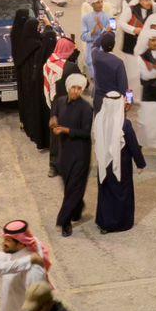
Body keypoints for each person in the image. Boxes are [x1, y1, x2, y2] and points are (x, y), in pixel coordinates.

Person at [90, 92, 146, 234]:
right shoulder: (124, 124)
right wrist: (140, 163)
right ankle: (120, 223)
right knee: (121, 193)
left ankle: (104, 223)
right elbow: (133, 145)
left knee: (106, 193)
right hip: (121, 166)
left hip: (104, 164)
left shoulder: (99, 119)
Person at [50, 73, 94, 236]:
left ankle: (65, 221)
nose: (76, 91)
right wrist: (53, 121)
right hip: (65, 152)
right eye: (73, 88)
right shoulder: (60, 102)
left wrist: (65, 130)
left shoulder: (86, 108)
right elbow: (54, 113)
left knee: (73, 187)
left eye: (79, 88)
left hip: (81, 153)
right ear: (68, 88)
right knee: (69, 184)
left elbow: (85, 132)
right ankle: (77, 207)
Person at [12, 7, 56, 151]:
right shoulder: (36, 45)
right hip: (37, 83)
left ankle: (27, 126)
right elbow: (49, 40)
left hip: (26, 80)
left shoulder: (22, 40)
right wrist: (48, 27)